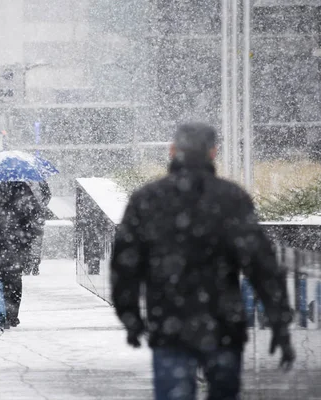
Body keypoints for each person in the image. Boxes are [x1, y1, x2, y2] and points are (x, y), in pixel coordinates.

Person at [110, 122, 295, 400]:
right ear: (213, 153)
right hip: (223, 325)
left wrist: (130, 317)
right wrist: (279, 322)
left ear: (173, 151)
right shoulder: (231, 198)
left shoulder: (147, 199)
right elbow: (261, 264)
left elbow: (125, 265)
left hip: (169, 323)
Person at [0, 181, 40, 327]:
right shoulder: (23, 188)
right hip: (18, 243)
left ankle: (5, 313)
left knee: (2, 279)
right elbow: (35, 213)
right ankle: (12, 314)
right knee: (15, 280)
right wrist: (27, 233)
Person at [23, 181, 51, 276]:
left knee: (30, 240)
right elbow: (48, 195)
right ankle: (32, 263)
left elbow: (48, 195)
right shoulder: (40, 181)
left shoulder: (23, 180)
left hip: (29, 215)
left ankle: (30, 263)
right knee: (35, 241)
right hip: (33, 215)